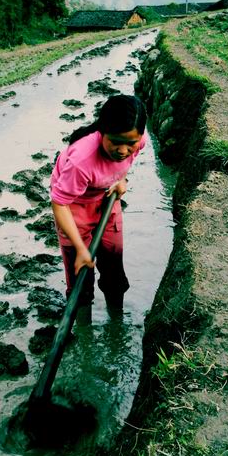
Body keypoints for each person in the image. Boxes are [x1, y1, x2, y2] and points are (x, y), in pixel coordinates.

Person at [50, 94, 147, 317]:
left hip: (106, 199)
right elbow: (60, 203)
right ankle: (85, 334)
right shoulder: (81, 160)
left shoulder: (138, 141)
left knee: (114, 273)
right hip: (73, 206)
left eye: (130, 143)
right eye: (115, 142)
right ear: (102, 132)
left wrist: (121, 180)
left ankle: (117, 322)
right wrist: (81, 249)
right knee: (81, 282)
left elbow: (122, 164)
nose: (123, 151)